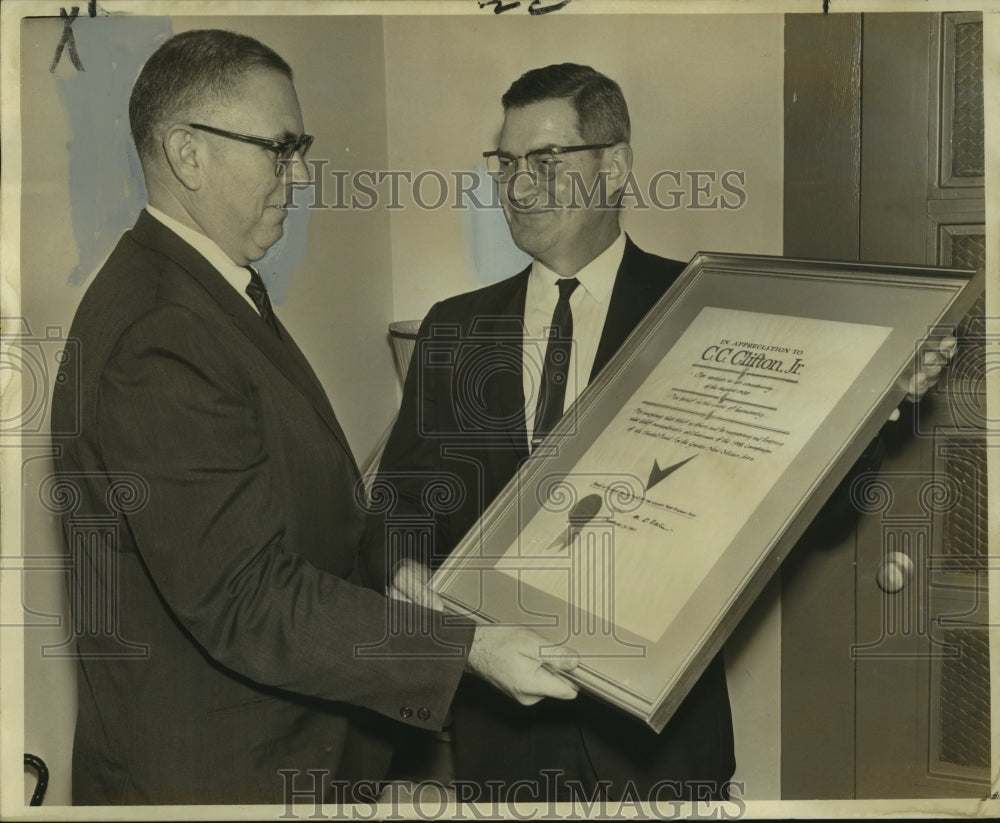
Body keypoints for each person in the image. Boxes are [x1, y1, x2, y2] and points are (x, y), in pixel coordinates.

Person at [374, 63, 954, 802]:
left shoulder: (707, 311)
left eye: (547, 161)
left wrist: (876, 405)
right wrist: (424, 603)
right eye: (507, 163)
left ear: (614, 166)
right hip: (501, 745)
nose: (518, 188)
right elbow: (397, 509)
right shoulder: (453, 327)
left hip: (661, 753)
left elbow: (814, 515)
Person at [49, 30, 576, 806]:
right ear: (187, 154)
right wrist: (469, 647)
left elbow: (286, 505)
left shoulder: (206, 292)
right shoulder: (160, 332)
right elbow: (247, 596)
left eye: (303, 148)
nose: (299, 176)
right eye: (280, 148)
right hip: (218, 779)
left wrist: (394, 576)